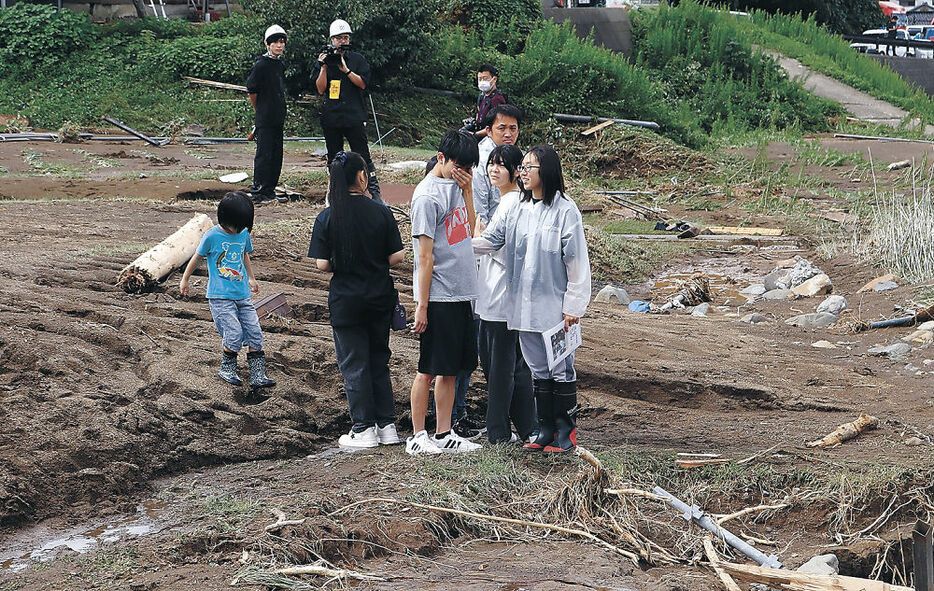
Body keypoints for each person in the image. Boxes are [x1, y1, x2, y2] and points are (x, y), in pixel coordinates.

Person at [473, 145, 591, 453]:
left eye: (529, 168)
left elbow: (576, 261)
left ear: (547, 172)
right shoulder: (518, 207)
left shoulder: (566, 209)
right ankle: (545, 430)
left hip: (555, 306)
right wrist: (455, 246)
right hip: (523, 305)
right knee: (538, 368)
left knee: (561, 368)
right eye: (522, 168)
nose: (522, 173)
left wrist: (574, 305)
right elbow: (492, 239)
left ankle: (566, 432)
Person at [309, 151, 405, 450]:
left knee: (354, 364)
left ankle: (363, 428)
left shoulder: (327, 217)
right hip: (379, 298)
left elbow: (322, 265)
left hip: (347, 302)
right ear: (362, 176)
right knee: (379, 361)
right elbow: (398, 257)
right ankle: (387, 426)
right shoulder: (381, 211)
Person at [406, 131, 482, 456]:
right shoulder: (426, 196)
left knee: (451, 369)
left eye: (469, 166)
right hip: (439, 295)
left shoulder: (458, 186)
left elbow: (469, 230)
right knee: (428, 368)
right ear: (441, 158)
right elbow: (424, 256)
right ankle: (417, 435)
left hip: (462, 292)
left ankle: (444, 432)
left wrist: (467, 189)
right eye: (458, 165)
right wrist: (422, 306)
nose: (463, 171)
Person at [180, 191, 276, 395]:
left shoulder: (242, 233)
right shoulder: (212, 236)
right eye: (237, 225)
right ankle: (227, 368)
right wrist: (185, 279)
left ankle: (257, 375)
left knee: (255, 333)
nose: (239, 230)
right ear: (225, 219)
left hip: (242, 295)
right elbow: (197, 257)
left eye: (243, 226)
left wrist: (251, 277)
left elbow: (244, 254)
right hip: (220, 296)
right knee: (233, 334)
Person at [476, 144, 534, 444]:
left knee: (498, 367)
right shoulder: (511, 202)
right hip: (501, 296)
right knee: (512, 365)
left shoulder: (511, 203)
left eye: (501, 164)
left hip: (500, 298)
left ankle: (498, 432)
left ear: (516, 171)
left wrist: (455, 245)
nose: (494, 169)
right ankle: (527, 426)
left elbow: (491, 243)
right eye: (491, 164)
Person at [313, 19, 383, 203]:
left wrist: (346, 70)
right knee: (334, 156)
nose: (343, 41)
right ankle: (335, 192)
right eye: (339, 38)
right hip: (332, 116)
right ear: (331, 39)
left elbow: (363, 83)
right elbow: (320, 89)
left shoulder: (357, 59)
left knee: (362, 154)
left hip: (353, 115)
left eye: (346, 37)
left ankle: (374, 191)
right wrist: (323, 67)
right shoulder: (325, 59)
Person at [246, 25, 288, 205]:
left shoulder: (279, 64)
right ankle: (258, 192)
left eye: (282, 42)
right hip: (265, 117)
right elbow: (252, 90)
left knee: (276, 155)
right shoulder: (261, 65)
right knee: (264, 155)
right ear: (267, 44)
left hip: (278, 117)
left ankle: (270, 190)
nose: (279, 45)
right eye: (275, 42)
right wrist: (260, 110)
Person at [473, 104, 522, 230]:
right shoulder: (482, 160)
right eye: (502, 128)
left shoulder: (520, 156)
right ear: (488, 131)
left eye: (513, 128)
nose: (508, 134)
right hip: (492, 232)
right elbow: (478, 207)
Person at [473, 64, 507, 140]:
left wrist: (475, 135)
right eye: (480, 79)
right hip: (480, 133)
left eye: (485, 78)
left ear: (494, 79)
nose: (482, 82)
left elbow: (497, 125)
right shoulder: (482, 97)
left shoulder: (497, 99)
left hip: (490, 139)